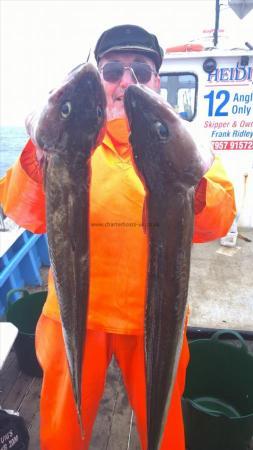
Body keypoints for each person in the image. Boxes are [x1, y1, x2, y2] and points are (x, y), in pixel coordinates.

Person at [0, 25, 236, 450]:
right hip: (74, 313)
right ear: (99, 79)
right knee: (62, 430)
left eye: (141, 71)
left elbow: (217, 223)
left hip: (154, 317)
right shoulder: (70, 144)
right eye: (112, 70)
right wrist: (37, 156)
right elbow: (24, 213)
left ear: (157, 81)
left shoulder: (188, 143)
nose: (127, 82)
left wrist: (191, 181)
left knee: (163, 429)